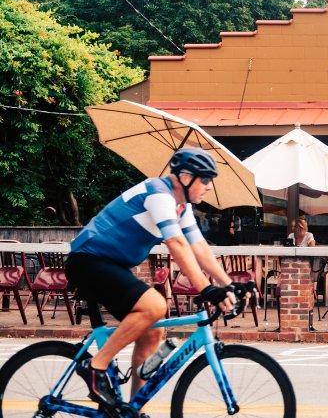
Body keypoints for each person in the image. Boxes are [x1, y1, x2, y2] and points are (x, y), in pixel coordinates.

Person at [65, 148, 242, 408]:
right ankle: (96, 367)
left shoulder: (182, 208)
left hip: (111, 264)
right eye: (205, 179)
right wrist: (205, 289)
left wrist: (229, 284)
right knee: (155, 305)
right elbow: (176, 243)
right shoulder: (158, 193)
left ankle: (133, 409)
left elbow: (199, 248)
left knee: (152, 332)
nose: (208, 187)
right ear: (185, 177)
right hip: (88, 259)